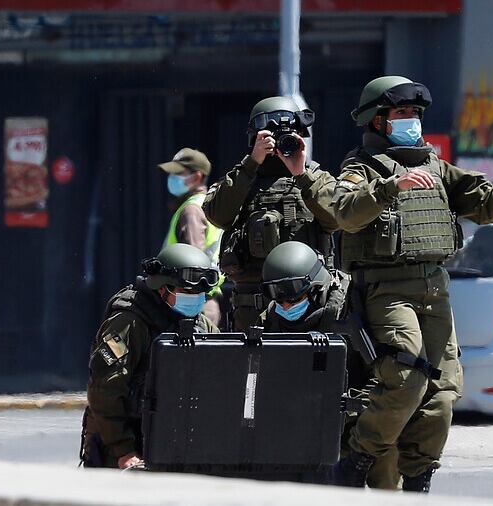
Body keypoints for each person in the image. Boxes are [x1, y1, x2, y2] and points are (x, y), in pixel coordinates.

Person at [331, 75, 493, 492]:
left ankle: (420, 477)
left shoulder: (435, 166)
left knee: (442, 393)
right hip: (386, 288)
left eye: (415, 114)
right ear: (377, 121)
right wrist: (391, 187)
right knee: (406, 378)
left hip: (435, 287)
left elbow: (483, 204)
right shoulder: (359, 169)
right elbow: (345, 212)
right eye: (401, 114)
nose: (412, 121)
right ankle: (356, 461)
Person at [257, 241, 399, 489]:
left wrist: (350, 407)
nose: (286, 306)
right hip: (299, 422)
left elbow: (384, 377)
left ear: (316, 287)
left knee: (385, 459)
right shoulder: (272, 317)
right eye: (278, 298)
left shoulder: (350, 309)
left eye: (295, 297)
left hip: (356, 421)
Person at [202, 97, 338, 332]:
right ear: (254, 138)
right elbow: (216, 215)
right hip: (252, 305)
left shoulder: (315, 177)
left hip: (309, 303)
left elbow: (338, 218)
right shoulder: (241, 178)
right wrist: (252, 163)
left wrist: (302, 175)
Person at [81, 244, 220, 469]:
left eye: (200, 294)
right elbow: (105, 391)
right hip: (120, 448)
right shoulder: (129, 322)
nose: (195, 299)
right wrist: (123, 450)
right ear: (162, 288)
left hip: (174, 444)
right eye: (187, 292)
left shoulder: (201, 326)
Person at [158, 147, 223, 326]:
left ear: (197, 177)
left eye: (179, 173)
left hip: (189, 304)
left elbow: (193, 265)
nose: (172, 179)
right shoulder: (209, 205)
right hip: (200, 301)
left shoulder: (191, 210)